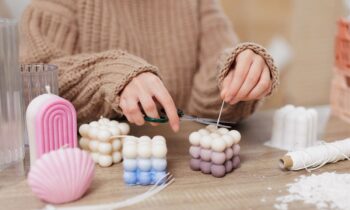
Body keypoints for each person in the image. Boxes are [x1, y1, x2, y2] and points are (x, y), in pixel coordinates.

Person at [20, 0, 278, 132]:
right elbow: (32, 84)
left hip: (181, 175)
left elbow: (212, 104)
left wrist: (237, 72)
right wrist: (109, 74)